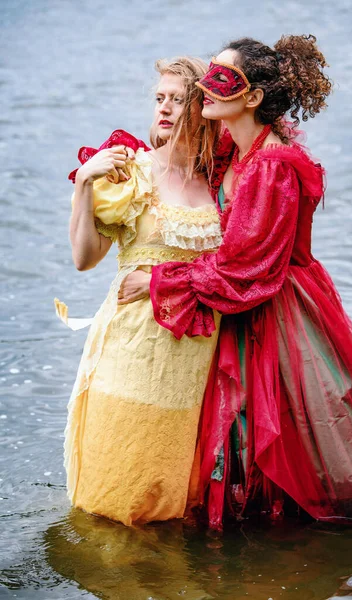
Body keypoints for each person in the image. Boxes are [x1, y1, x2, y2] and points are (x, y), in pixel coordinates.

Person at [127, 35, 352, 529]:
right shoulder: (237, 146)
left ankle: (289, 535)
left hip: (277, 308)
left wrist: (157, 282)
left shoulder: (272, 167)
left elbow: (243, 268)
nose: (204, 88)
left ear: (252, 98)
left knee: (286, 428)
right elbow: (179, 155)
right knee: (239, 429)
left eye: (221, 80)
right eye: (207, 75)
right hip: (246, 301)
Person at [63, 57, 223, 526]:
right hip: (132, 344)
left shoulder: (219, 181)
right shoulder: (133, 171)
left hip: (195, 353)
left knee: (172, 488)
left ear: (204, 109)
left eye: (178, 99)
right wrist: (86, 185)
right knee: (119, 482)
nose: (165, 109)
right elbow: (84, 258)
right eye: (159, 99)